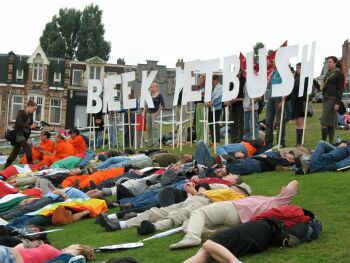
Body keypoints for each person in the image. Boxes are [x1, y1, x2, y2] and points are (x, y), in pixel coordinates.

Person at [169, 180, 299, 249]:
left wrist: (285, 194)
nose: (283, 188)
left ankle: (193, 237)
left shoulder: (279, 202)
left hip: (234, 208)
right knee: (190, 222)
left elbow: (295, 183)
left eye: (284, 189)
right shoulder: (271, 202)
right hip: (238, 221)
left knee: (199, 212)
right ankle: (206, 233)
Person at [96, 178, 248, 233]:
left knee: (177, 215)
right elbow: (203, 186)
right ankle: (121, 224)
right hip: (196, 198)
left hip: (206, 203)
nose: (234, 185)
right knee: (158, 210)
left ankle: (154, 227)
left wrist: (193, 192)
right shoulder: (225, 189)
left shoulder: (239, 196)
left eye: (237, 185)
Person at [185, 205, 321, 263]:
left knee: (210, 243)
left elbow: (273, 213)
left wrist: (252, 220)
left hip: (261, 227)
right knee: (206, 252)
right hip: (264, 238)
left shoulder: (296, 210)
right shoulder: (301, 222)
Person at [4, 101, 38, 169]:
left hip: (24, 135)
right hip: (18, 134)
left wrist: (35, 127)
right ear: (29, 106)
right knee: (28, 150)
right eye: (34, 109)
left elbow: (28, 125)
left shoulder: (30, 115)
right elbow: (18, 123)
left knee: (14, 153)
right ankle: (31, 168)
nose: (34, 111)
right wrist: (30, 126)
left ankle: (4, 168)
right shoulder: (21, 112)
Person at [320, 56, 345, 144]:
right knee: (330, 122)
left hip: (333, 99)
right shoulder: (328, 73)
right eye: (327, 62)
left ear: (335, 63)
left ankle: (323, 142)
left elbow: (340, 89)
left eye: (330, 62)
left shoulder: (339, 74)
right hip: (326, 99)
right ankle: (330, 144)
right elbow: (322, 87)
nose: (328, 64)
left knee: (324, 122)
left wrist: (337, 103)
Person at [0, 243, 95, 263]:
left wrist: (86, 251)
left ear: (78, 247)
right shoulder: (56, 253)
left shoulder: (62, 254)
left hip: (10, 256)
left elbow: (73, 254)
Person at [265, 69, 286, 148]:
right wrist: (269, 78)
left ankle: (281, 142)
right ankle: (268, 142)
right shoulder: (273, 72)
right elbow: (267, 85)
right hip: (271, 97)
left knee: (279, 121)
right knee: (268, 121)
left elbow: (287, 86)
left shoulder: (284, 70)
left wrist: (283, 100)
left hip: (279, 97)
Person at [226, 71, 245, 143]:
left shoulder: (244, 80)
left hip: (240, 105)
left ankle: (240, 140)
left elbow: (245, 96)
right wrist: (228, 100)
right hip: (233, 105)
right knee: (232, 123)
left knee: (240, 123)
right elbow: (229, 92)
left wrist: (237, 99)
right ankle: (233, 140)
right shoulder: (232, 81)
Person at [143, 83, 165, 147]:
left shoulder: (159, 95)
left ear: (156, 87)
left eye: (152, 87)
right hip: (148, 113)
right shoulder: (149, 95)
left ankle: (156, 143)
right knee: (149, 128)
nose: (151, 88)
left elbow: (163, 105)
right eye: (151, 87)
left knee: (154, 128)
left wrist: (157, 113)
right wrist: (144, 113)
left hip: (154, 114)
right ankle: (150, 142)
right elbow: (146, 105)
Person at [206, 75, 223, 145]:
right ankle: (213, 141)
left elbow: (220, 98)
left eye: (212, 80)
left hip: (217, 108)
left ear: (216, 80)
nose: (211, 82)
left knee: (215, 124)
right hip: (211, 108)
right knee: (211, 124)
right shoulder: (212, 87)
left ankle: (217, 141)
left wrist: (212, 103)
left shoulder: (220, 87)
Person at [195, 74, 206, 142]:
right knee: (198, 124)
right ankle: (198, 138)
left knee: (202, 124)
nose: (200, 79)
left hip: (203, 105)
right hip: (198, 105)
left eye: (202, 78)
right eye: (200, 78)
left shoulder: (207, 86)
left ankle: (202, 138)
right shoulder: (198, 86)